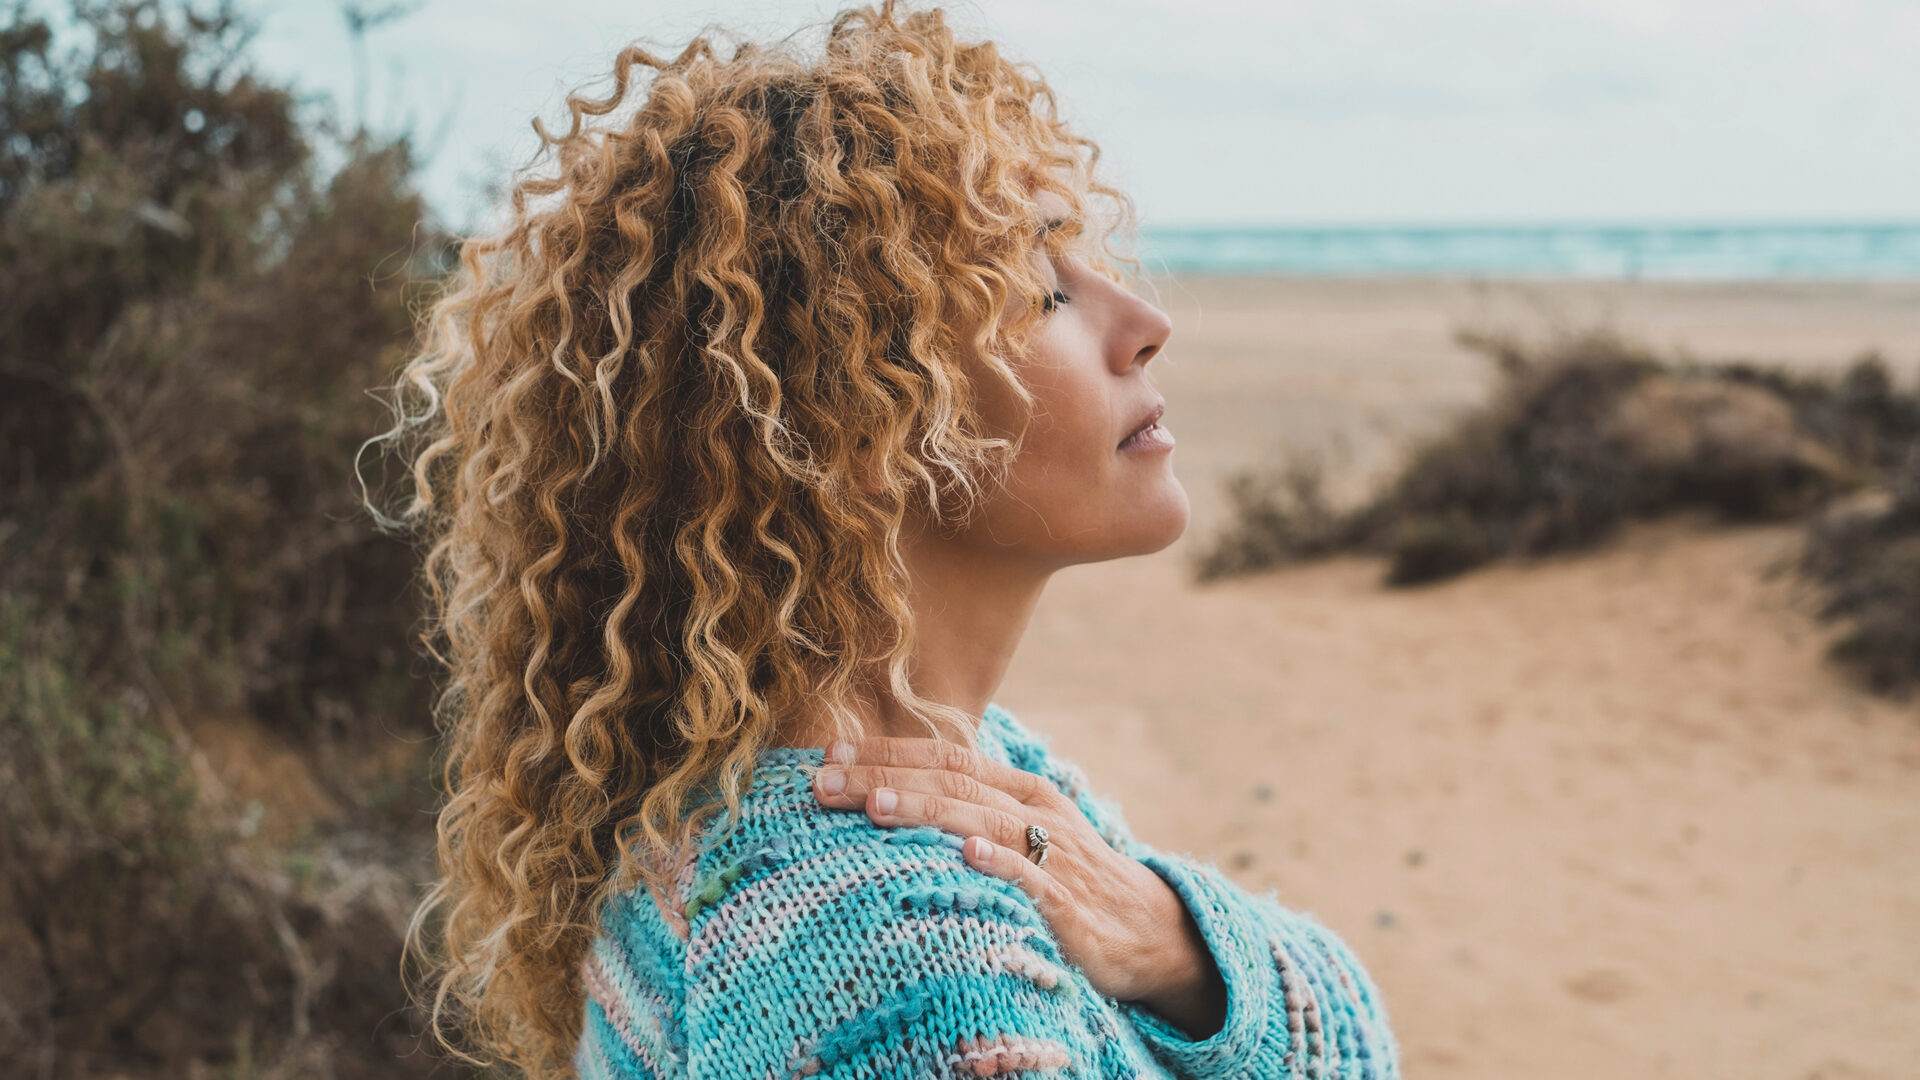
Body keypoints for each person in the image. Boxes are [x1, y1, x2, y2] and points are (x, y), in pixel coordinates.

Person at [373, 3, 1400, 1077]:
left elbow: (1357, 1042)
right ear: (860, 418)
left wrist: (1181, 948)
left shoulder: (949, 784)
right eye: (1046, 289)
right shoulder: (909, 961)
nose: (1144, 319)